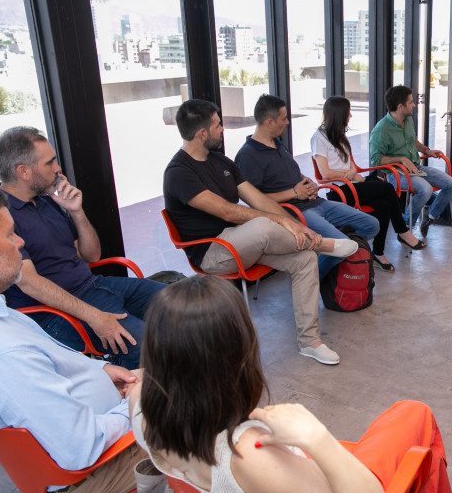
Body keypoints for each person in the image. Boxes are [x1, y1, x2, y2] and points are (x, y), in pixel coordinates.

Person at [129, 275, 452, 493]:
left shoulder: (139, 408)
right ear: (237, 352)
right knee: (415, 414)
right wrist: (316, 436)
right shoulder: (250, 452)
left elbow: (151, 379)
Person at [0, 181, 144, 493]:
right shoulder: (0, 356)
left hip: (79, 428)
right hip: (94, 467)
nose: (20, 242)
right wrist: (134, 403)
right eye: (9, 234)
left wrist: (99, 369)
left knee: (189, 371)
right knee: (214, 394)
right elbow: (82, 447)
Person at [164, 99, 357, 366]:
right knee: (265, 224)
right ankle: (321, 243)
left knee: (304, 259)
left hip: (246, 242)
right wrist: (282, 222)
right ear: (202, 134)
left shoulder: (221, 161)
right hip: (214, 251)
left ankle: (309, 341)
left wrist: (296, 224)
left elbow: (258, 200)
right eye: (218, 125)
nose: (223, 130)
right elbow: (228, 213)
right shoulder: (178, 173)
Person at [0, 127, 167, 370]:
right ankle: (141, 401)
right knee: (146, 344)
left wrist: (76, 211)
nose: (57, 169)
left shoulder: (46, 200)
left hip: (93, 286)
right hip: (53, 313)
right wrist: (94, 316)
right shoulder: (1, 215)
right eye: (49, 162)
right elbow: (29, 282)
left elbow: (91, 255)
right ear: (24, 171)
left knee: (178, 304)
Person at [236, 94, 378, 278]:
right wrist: (294, 192)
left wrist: (308, 182)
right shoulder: (248, 156)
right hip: (294, 211)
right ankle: (308, 280)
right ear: (269, 122)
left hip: (315, 202)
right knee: (341, 243)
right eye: (284, 118)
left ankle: (333, 264)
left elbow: (293, 173)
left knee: (371, 225)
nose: (288, 122)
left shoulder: (278, 144)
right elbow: (255, 202)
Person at [311, 95, 426, 272]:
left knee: (384, 204)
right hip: (338, 191)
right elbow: (325, 173)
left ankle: (378, 253)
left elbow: (352, 170)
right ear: (339, 114)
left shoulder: (340, 136)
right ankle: (402, 232)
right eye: (348, 113)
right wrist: (349, 174)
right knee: (387, 188)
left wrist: (363, 179)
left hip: (350, 186)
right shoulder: (319, 137)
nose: (350, 117)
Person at [369, 85, 452, 237]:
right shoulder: (381, 130)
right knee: (425, 189)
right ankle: (405, 228)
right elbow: (376, 160)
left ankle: (430, 217)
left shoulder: (408, 119)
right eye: (411, 102)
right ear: (400, 106)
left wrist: (427, 150)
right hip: (396, 174)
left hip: (416, 168)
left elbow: (413, 141)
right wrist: (401, 159)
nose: (414, 105)